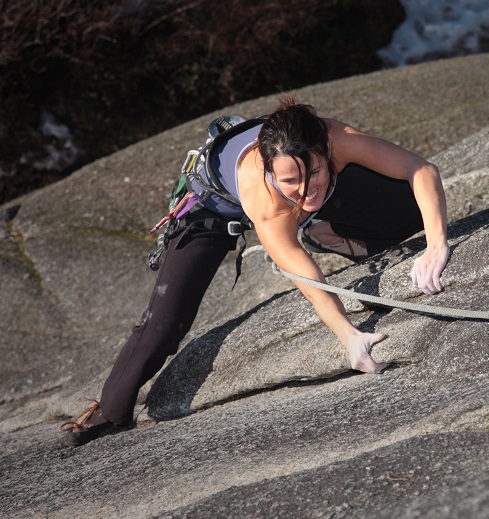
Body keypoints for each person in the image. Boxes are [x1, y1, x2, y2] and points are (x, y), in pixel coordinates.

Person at [60, 97, 450, 446]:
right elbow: (307, 277)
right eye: (290, 180)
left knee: (410, 207)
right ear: (269, 172)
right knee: (164, 322)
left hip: (318, 190)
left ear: (324, 148)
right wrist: (349, 335)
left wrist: (436, 244)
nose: (305, 189)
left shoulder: (335, 139)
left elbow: (421, 171)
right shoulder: (264, 197)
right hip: (212, 208)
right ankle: (109, 410)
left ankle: (326, 230)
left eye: (312, 172)